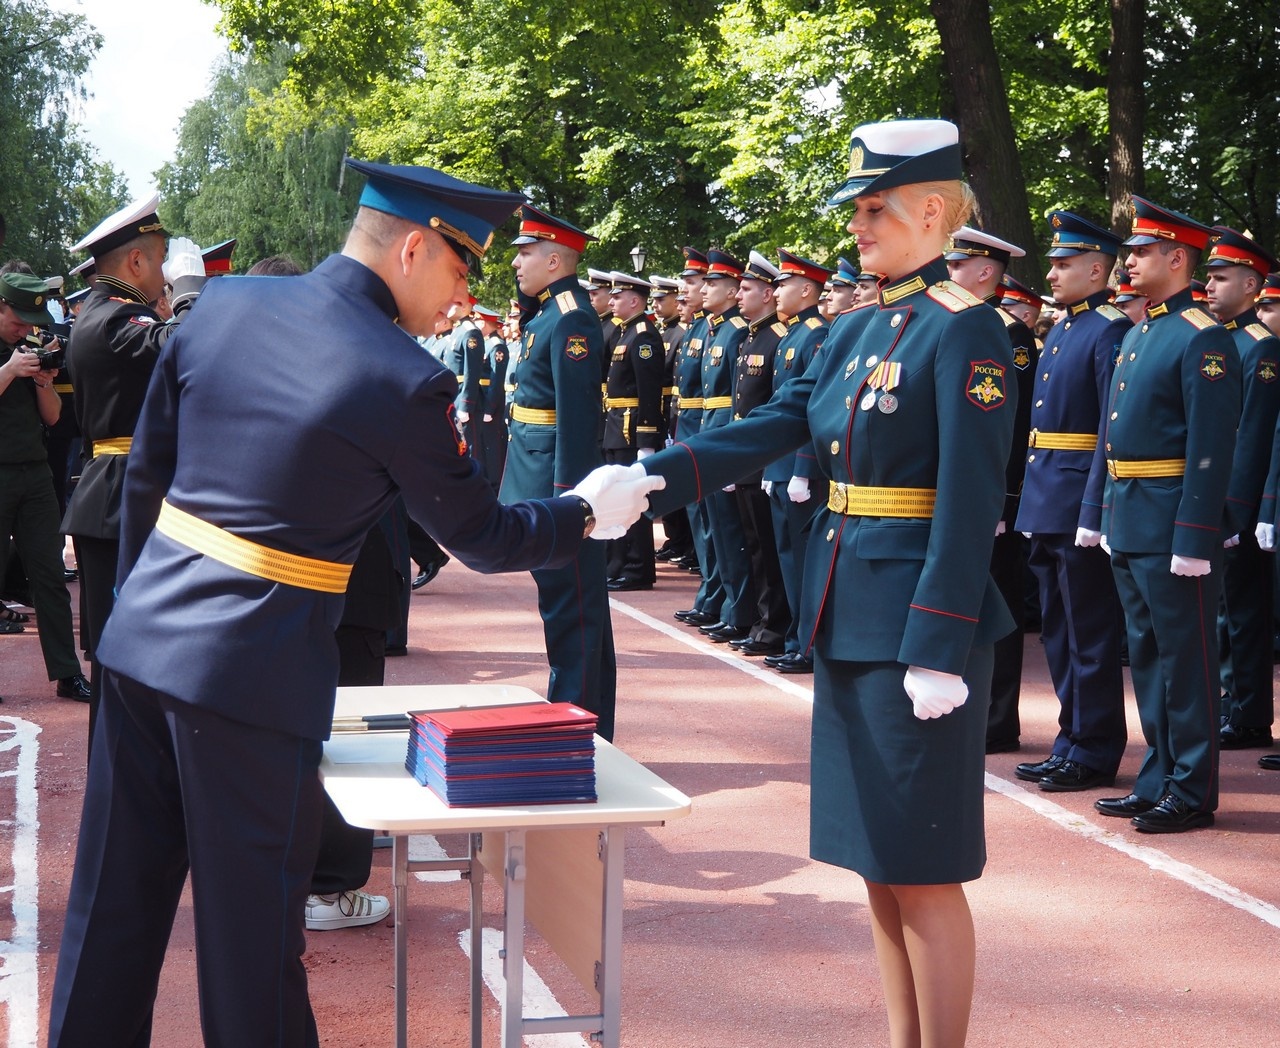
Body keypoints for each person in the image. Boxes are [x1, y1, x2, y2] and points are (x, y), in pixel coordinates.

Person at [47, 160, 661, 1047]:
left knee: (109, 911)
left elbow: (148, 478)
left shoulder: (222, 306)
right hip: (252, 678)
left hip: (142, 646)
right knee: (251, 945)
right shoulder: (400, 376)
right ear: (413, 250)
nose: (463, 296)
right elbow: (484, 536)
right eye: (461, 268)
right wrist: (585, 513)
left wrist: (136, 616)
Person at [641, 118, 1015, 1046]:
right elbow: (773, 424)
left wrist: (938, 643)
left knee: (924, 867)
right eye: (858, 209)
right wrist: (652, 479)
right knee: (878, 863)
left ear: (932, 212)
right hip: (847, 613)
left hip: (915, 630)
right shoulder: (859, 329)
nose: (857, 225)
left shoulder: (966, 330)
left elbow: (969, 501)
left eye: (874, 208)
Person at [1093, 196, 1239, 833]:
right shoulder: (1141, 332)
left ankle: (1192, 788)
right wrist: (1106, 513)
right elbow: (1114, 439)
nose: (1129, 262)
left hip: (1172, 519)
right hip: (1132, 515)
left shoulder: (1202, 336)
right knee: (1149, 657)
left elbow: (1211, 446)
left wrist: (1195, 534)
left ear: (1177, 258)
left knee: (1187, 659)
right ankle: (1159, 775)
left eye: (1142, 252)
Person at [61, 195, 206, 744]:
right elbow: (181, 347)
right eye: (163, 259)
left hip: (121, 491)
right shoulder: (115, 318)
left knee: (131, 654)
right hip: (125, 496)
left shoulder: (101, 314)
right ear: (137, 261)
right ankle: (115, 780)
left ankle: (123, 775)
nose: (166, 272)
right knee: (126, 656)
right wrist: (189, 294)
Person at [1012, 211, 1131, 790]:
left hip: (1077, 496)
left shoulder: (1109, 329)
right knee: (1059, 633)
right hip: (1047, 494)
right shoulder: (1063, 328)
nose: (1052, 273)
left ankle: (1095, 747)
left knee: (1089, 633)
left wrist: (1094, 508)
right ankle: (1070, 739)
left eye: (1064, 264)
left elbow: (1109, 429)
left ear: (1096, 269)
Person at [503, 204, 621, 740]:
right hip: (537, 480)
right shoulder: (549, 312)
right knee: (565, 610)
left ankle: (578, 728)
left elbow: (576, 418)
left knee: (574, 614)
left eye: (526, 253)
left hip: (559, 493)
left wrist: (570, 503)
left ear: (554, 260)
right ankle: (578, 720)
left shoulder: (571, 317)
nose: (516, 263)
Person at [944, 226, 1036, 756]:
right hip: (959, 491)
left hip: (995, 494)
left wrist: (1003, 499)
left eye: (958, 265)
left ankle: (998, 720)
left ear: (985, 272)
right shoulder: (955, 322)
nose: (948, 272)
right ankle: (968, 708)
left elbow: (1013, 423)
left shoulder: (1009, 332)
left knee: (997, 601)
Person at [1203, 227, 1280, 751]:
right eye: (1209, 276)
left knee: (1243, 610)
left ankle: (1248, 713)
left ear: (1251, 285)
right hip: (1208, 497)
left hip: (1240, 503)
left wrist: (1235, 509)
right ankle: (1229, 701)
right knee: (1219, 610)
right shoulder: (1213, 339)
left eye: (1222, 277)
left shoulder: (1261, 346)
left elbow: (1253, 437)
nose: (1210, 286)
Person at [0, 273, 90, 697]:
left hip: (34, 474)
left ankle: (67, 673)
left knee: (50, 577)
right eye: (18, 321)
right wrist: (9, 370)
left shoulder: (30, 347)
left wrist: (42, 382)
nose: (25, 330)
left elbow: (53, 417)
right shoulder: (12, 357)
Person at [762, 249, 831, 674]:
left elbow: (813, 411)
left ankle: (808, 644)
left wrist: (802, 469)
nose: (776, 292)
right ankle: (795, 639)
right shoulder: (791, 335)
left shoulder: (816, 335)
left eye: (783, 285)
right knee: (788, 559)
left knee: (805, 562)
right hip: (782, 466)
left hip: (800, 468)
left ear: (806, 290)